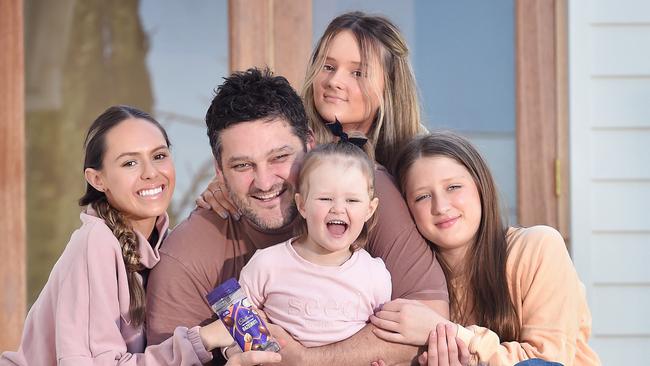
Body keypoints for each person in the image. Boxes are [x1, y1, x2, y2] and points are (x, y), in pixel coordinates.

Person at [145, 68, 449, 365]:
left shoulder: (361, 190)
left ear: (309, 142)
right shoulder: (186, 257)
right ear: (219, 170)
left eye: (279, 157)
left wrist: (309, 359)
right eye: (242, 166)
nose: (264, 182)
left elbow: (431, 329)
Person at [0, 105, 268, 365]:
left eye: (159, 156)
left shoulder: (163, 244)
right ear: (97, 179)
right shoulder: (96, 244)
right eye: (130, 163)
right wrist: (205, 338)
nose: (151, 173)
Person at [369, 132, 601, 366]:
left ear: (481, 186)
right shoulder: (413, 279)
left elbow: (549, 359)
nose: (441, 206)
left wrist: (446, 332)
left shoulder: (537, 247)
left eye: (453, 187)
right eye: (423, 197)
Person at [197, 11, 425, 215]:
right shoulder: (292, 148)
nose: (335, 81)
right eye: (328, 67)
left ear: (391, 86)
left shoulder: (419, 162)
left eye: (357, 72)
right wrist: (225, 186)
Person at [239, 140, 390, 348]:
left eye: (352, 201)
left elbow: (381, 341)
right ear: (302, 205)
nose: (338, 208)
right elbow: (234, 327)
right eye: (325, 198)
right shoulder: (267, 265)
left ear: (369, 210)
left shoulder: (374, 275)